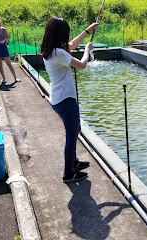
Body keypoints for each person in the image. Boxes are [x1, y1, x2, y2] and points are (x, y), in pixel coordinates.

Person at [40, 16, 98, 182]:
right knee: (72, 135)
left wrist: (88, 30)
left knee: (75, 129)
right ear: (60, 34)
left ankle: (73, 162)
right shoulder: (58, 53)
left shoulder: (50, 49)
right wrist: (87, 50)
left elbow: (72, 45)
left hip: (60, 98)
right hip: (65, 100)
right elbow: (82, 64)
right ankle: (68, 173)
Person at [0, 16, 20, 84]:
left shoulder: (3, 29)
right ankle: (4, 78)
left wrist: (4, 41)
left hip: (3, 46)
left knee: (9, 63)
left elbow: (7, 38)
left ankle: (15, 77)